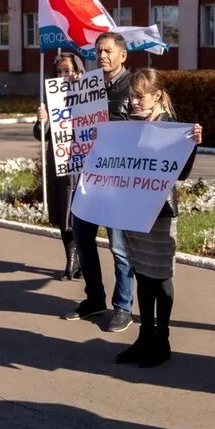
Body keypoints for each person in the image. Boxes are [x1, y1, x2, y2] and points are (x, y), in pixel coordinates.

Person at [114, 69, 202, 368]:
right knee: (142, 274)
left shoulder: (171, 127)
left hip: (161, 211)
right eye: (132, 96)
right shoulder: (130, 125)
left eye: (140, 96)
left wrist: (192, 145)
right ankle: (144, 336)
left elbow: (183, 173)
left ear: (157, 96)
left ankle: (162, 340)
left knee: (161, 277)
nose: (134, 101)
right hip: (134, 209)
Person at [67, 31, 136, 332]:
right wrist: (62, 104)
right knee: (82, 239)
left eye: (108, 51)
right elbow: (70, 124)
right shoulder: (88, 86)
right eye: (98, 51)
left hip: (118, 182)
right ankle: (94, 299)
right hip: (89, 178)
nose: (102, 56)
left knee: (119, 247)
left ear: (123, 55)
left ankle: (123, 307)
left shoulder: (134, 87)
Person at [34, 51, 85, 279]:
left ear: (78, 72)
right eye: (59, 71)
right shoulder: (51, 99)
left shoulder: (88, 95)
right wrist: (42, 121)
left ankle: (82, 260)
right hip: (60, 163)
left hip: (83, 164)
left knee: (81, 215)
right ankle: (71, 260)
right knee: (64, 212)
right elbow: (41, 136)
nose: (63, 75)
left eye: (68, 71)